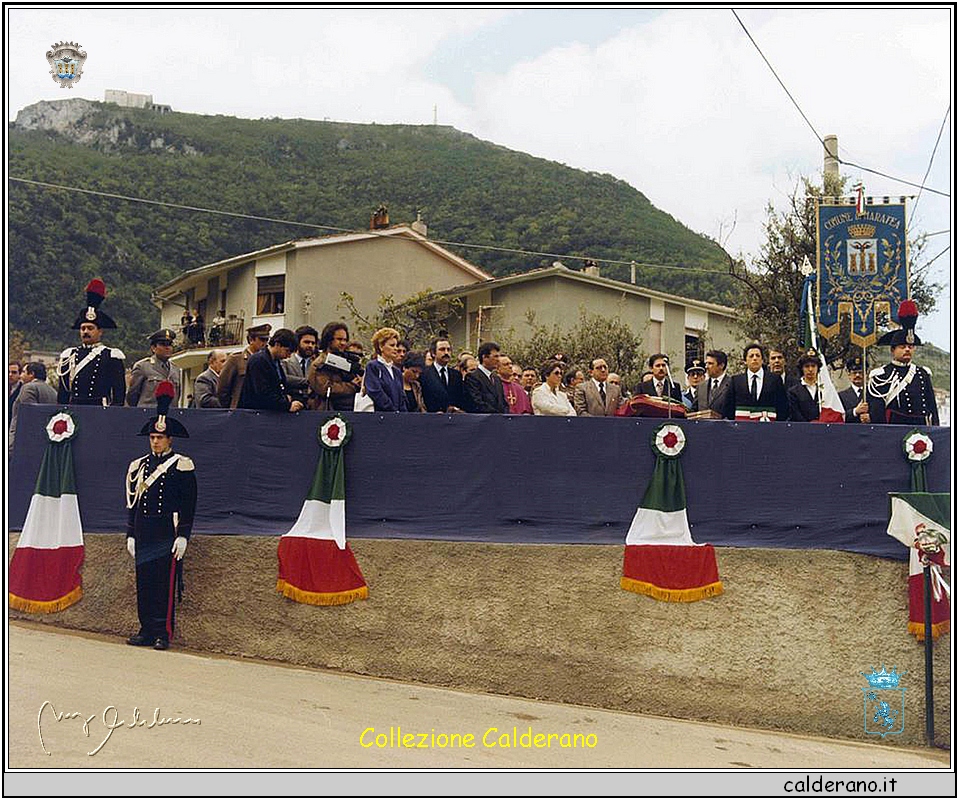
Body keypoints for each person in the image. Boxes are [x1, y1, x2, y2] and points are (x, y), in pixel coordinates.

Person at [125, 381, 196, 651]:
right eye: (152, 437)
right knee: (144, 584)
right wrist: (130, 533)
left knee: (164, 587)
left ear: (170, 439)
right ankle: (145, 629)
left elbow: (189, 503)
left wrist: (184, 536)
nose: (155, 441)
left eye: (160, 437)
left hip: (167, 531)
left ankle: (162, 633)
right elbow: (133, 503)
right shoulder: (139, 465)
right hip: (144, 532)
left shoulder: (182, 464)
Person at [866, 300, 938, 426]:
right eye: (903, 346)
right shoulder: (881, 375)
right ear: (893, 350)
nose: (907, 349)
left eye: (910, 346)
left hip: (920, 429)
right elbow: (877, 413)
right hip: (893, 430)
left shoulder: (922, 373)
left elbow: (932, 408)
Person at [57, 278, 126, 406]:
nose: (85, 332)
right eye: (83, 328)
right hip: (74, 408)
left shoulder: (111, 356)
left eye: (90, 328)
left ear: (100, 331)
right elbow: (63, 392)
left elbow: (119, 392)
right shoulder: (69, 355)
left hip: (100, 410)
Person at [238, 328, 304, 413]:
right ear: (277, 344)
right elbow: (263, 393)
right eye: (287, 351)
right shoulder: (259, 360)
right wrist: (286, 405)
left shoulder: (276, 361)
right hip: (255, 414)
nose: (288, 356)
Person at [308, 322, 363, 412]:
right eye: (339, 339)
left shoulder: (346, 361)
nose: (343, 343)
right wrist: (352, 386)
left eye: (345, 340)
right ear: (329, 340)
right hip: (326, 411)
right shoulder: (320, 363)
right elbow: (325, 389)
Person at [729, 343, 789, 422]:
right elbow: (729, 407)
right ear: (745, 361)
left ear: (762, 360)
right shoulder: (736, 381)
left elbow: (782, 406)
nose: (755, 358)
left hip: (769, 428)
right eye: (751, 356)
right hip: (742, 428)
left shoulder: (774, 379)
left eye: (757, 356)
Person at [216, 323, 271, 409]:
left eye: (266, 340)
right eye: (261, 340)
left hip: (261, 409)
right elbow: (223, 388)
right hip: (241, 409)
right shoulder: (236, 359)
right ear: (251, 340)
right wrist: (231, 406)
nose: (264, 343)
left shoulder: (266, 361)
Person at [9, 362, 57, 455]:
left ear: (31, 374)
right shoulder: (52, 391)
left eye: (23, 372)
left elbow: (27, 414)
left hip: (22, 439)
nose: (21, 376)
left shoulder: (29, 387)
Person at [127, 329, 182, 407]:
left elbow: (177, 396)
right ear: (153, 348)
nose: (167, 348)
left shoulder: (176, 369)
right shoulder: (143, 367)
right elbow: (132, 396)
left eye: (169, 344)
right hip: (147, 414)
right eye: (163, 344)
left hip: (170, 415)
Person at [363, 327, 407, 412]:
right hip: (380, 417)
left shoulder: (397, 371)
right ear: (381, 347)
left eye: (396, 345)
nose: (396, 348)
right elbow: (375, 391)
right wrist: (392, 410)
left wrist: (403, 415)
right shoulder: (372, 366)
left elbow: (402, 397)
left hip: (397, 419)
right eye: (392, 345)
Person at [419, 335, 465, 412]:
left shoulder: (456, 375)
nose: (446, 352)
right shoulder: (424, 374)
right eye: (442, 349)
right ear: (433, 353)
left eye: (448, 350)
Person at [463, 341, 508, 414]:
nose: (498, 360)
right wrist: (496, 414)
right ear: (484, 357)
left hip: (500, 421)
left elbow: (503, 402)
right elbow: (476, 402)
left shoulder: (497, 379)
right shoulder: (472, 378)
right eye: (495, 356)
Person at [282, 325, 317, 404]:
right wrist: (307, 382)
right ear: (297, 343)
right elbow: (285, 378)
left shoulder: (316, 364)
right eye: (306, 342)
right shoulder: (285, 361)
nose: (310, 346)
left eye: (313, 343)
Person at [694, 349, 734, 419]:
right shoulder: (701, 386)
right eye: (706, 363)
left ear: (721, 365)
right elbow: (694, 410)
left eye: (710, 363)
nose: (706, 366)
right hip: (702, 428)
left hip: (724, 428)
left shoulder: (732, 384)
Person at [787, 349, 822, 422]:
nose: (810, 369)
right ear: (802, 369)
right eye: (807, 366)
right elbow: (795, 414)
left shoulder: (824, 390)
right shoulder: (793, 392)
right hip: (802, 430)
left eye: (813, 366)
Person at [839, 355, 870, 424]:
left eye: (860, 372)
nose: (857, 375)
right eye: (854, 373)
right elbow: (839, 417)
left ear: (866, 374)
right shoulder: (841, 396)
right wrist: (855, 411)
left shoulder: (873, 394)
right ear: (849, 375)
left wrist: (871, 418)